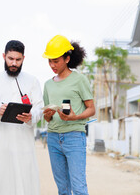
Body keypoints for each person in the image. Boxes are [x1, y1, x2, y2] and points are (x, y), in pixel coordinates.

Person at [0, 40, 44, 195]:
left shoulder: (32, 81)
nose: (14, 63)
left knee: (24, 182)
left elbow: (40, 108)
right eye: (10, 59)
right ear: (4, 56)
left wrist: (30, 116)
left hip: (24, 145)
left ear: (23, 58)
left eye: (18, 59)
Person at [42, 35, 95, 195]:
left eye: (56, 61)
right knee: (62, 188)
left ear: (67, 59)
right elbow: (47, 117)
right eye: (49, 61)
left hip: (74, 137)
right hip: (53, 138)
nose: (52, 65)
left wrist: (74, 117)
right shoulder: (48, 84)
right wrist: (48, 114)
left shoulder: (79, 80)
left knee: (78, 187)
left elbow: (91, 109)